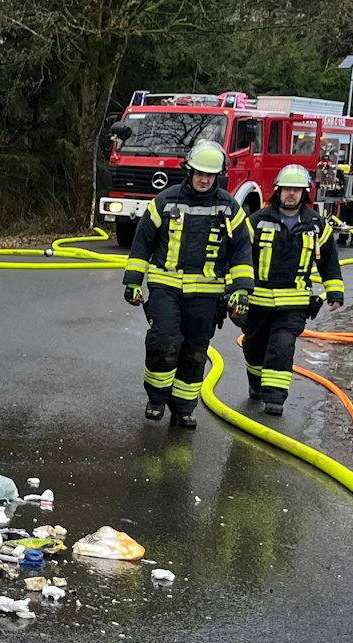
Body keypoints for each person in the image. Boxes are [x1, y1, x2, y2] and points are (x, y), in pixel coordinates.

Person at [120, 139, 253, 429]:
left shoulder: (230, 209)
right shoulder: (165, 202)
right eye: (199, 173)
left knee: (195, 352)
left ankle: (183, 408)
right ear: (189, 172)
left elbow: (242, 249)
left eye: (210, 175)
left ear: (218, 176)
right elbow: (143, 242)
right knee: (164, 342)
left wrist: (242, 288)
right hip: (165, 287)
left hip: (206, 294)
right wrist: (133, 281)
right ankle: (156, 399)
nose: (204, 179)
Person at [239, 164, 344, 417]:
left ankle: (274, 399)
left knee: (282, 346)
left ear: (305, 194)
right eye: (287, 189)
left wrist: (335, 292)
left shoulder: (316, 225)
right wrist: (235, 289)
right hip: (258, 301)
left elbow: (329, 261)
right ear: (278, 190)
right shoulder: (257, 221)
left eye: (297, 191)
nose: (291, 195)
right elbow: (240, 257)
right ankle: (256, 384)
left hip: (293, 303)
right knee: (254, 347)